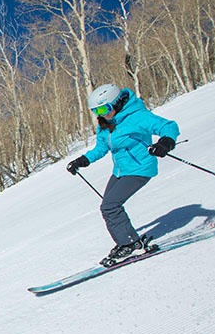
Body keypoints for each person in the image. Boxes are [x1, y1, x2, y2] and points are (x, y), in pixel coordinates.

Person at [66, 83, 180, 267]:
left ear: (117, 102)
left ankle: (128, 244)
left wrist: (166, 142)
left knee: (110, 207)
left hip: (140, 169)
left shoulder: (137, 117)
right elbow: (102, 148)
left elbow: (168, 126)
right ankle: (131, 241)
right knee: (108, 206)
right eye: (96, 110)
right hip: (120, 171)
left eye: (103, 108)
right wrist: (82, 160)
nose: (100, 114)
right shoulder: (106, 124)